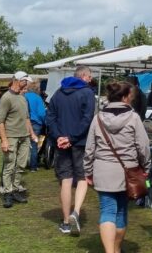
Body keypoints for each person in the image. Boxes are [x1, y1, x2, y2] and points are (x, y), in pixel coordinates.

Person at [84, 81, 151, 253]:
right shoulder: (134, 118)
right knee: (121, 211)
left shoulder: (97, 118)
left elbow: (90, 148)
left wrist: (88, 171)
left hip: (103, 170)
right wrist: (146, 167)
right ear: (126, 96)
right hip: (127, 172)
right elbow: (143, 147)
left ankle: (110, 251)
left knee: (107, 210)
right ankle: (116, 248)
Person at [48, 65, 96, 235]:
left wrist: (59, 136)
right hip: (80, 143)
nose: (91, 80)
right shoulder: (88, 93)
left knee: (66, 181)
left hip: (62, 143)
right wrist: (71, 137)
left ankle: (66, 221)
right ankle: (75, 212)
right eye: (90, 77)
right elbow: (87, 119)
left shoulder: (58, 93)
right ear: (83, 76)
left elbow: (50, 117)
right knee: (82, 177)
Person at [0, 71, 38, 208]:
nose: (27, 84)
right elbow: (0, 121)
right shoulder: (6, 98)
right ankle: (7, 193)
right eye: (26, 81)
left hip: (24, 137)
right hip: (11, 136)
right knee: (9, 165)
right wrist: (4, 140)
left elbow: (26, 118)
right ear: (19, 80)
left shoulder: (23, 98)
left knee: (21, 165)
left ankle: (15, 189)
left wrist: (32, 134)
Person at [23, 80, 47, 172]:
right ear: (37, 89)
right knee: (34, 144)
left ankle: (21, 164)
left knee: (23, 143)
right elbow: (41, 113)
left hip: (24, 122)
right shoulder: (38, 98)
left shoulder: (24, 96)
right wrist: (44, 122)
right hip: (36, 123)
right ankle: (33, 166)